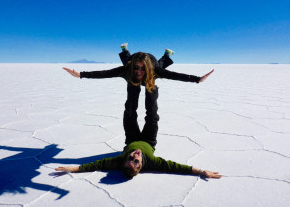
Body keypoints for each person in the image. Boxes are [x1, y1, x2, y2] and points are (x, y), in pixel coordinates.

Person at [55, 87, 222, 179]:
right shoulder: (153, 162)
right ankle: (151, 86)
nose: (134, 155)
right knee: (152, 114)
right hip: (149, 140)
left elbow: (97, 165)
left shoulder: (119, 161)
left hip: (132, 137)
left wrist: (75, 168)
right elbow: (176, 167)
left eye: (130, 158)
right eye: (136, 159)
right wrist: (201, 171)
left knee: (129, 112)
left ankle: (133, 85)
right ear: (141, 165)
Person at [63, 49, 214, 146]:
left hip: (153, 66)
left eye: (143, 68)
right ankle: (132, 138)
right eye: (136, 67)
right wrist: (81, 75)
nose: (139, 71)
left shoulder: (153, 71)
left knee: (152, 109)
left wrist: (197, 79)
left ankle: (166, 55)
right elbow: (105, 73)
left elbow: (174, 75)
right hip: (132, 79)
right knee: (130, 108)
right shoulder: (128, 70)